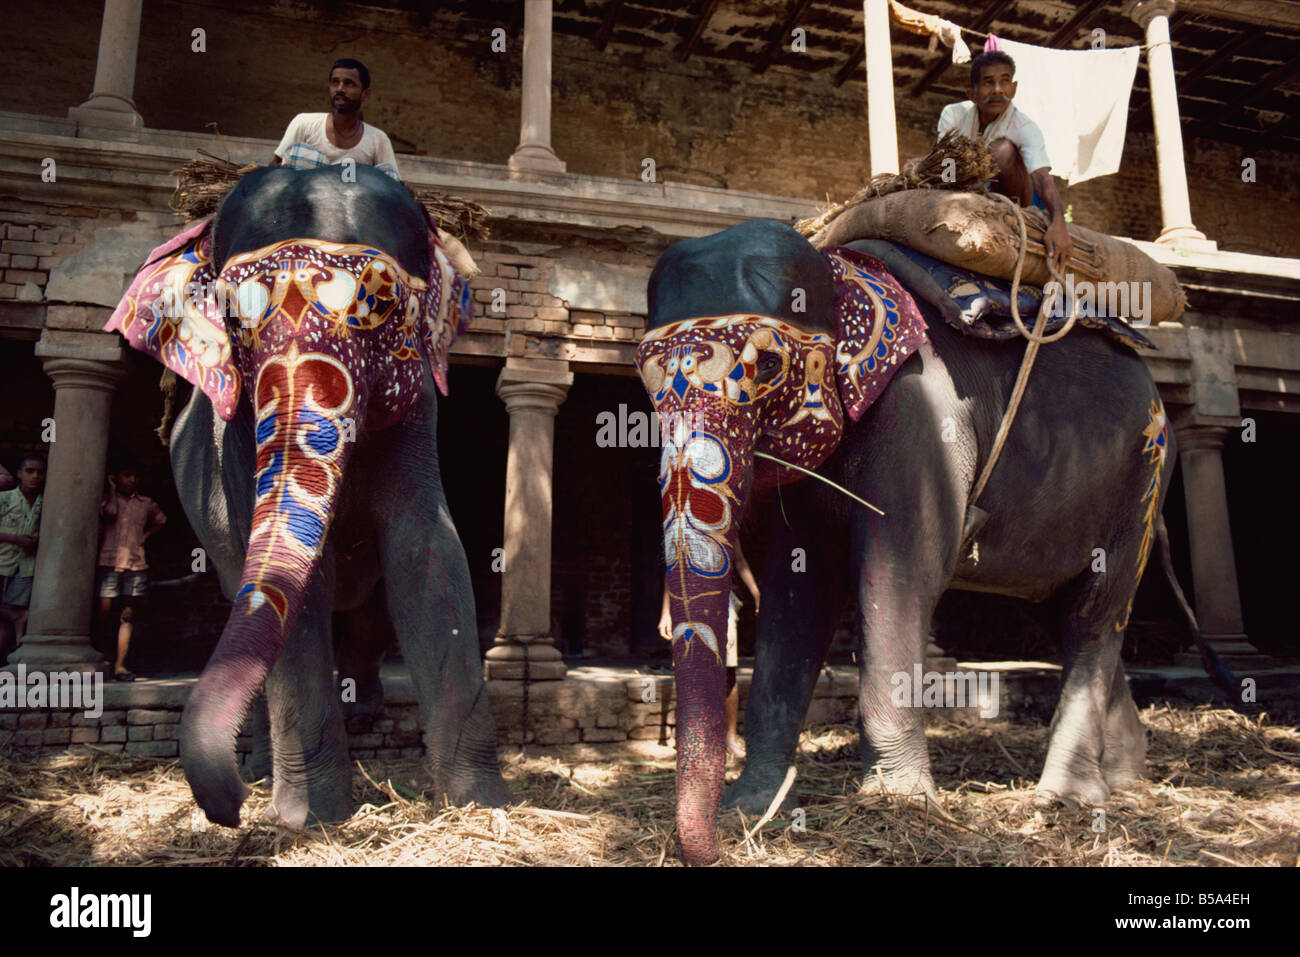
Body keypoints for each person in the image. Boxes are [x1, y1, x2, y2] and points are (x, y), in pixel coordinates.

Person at [938, 49, 1074, 271]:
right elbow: (947, 165)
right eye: (988, 83)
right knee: (931, 162)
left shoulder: (1025, 127)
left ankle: (1003, 219)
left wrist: (1058, 222)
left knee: (1002, 150)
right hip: (968, 190)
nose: (998, 90)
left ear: (1014, 88)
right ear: (971, 93)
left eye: (1005, 81)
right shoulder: (953, 115)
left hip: (1016, 198)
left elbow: (1042, 177)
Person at [659, 543, 760, 760]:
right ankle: (690, 738)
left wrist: (756, 592)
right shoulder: (682, 522)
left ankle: (729, 738)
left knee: (727, 671)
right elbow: (673, 569)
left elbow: (739, 561)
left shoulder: (727, 519)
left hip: (722, 602)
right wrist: (666, 612)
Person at [272, 58, 401, 180]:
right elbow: (274, 168)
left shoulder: (378, 139)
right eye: (335, 82)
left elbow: (391, 182)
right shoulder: (304, 123)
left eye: (349, 84)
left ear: (365, 94)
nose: (340, 89)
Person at [95, 464, 166, 681]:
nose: (132, 480)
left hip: (136, 565)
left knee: (127, 616)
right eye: (127, 474)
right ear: (115, 477)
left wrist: (145, 536)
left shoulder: (145, 503)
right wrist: (113, 490)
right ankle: (100, 659)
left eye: (136, 475)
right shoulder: (107, 500)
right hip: (109, 563)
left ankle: (120, 666)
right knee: (103, 615)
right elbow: (110, 513)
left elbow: (161, 520)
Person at [0, 453, 46, 659]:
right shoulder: (4, 498)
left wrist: (36, 540)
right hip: (2, 561)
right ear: (19, 473)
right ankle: (18, 617)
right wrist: (15, 538)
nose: (35, 476)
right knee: (12, 614)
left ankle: (7, 659)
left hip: (26, 566)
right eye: (30, 471)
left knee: (5, 621)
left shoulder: (46, 504)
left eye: (40, 472)